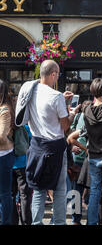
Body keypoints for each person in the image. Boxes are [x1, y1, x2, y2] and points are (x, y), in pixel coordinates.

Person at [15, 60, 79, 225]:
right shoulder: (56, 96)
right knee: (59, 189)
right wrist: (71, 114)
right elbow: (65, 126)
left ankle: (36, 223)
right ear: (53, 74)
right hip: (55, 147)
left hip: (36, 145)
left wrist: (61, 103)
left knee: (38, 190)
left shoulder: (30, 91)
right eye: (58, 74)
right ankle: (58, 222)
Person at [67, 78, 102, 225]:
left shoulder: (87, 111)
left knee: (94, 191)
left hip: (93, 156)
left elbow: (85, 130)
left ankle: (91, 222)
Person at [0, 79, 16, 225]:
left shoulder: (5, 110)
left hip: (4, 155)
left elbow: (2, 135)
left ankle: (5, 222)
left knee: (4, 193)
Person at [11, 124, 33, 225]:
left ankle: (13, 221)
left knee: (10, 195)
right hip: (23, 164)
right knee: (25, 196)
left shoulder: (5, 124)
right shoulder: (25, 127)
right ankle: (26, 222)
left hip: (8, 164)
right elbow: (31, 143)